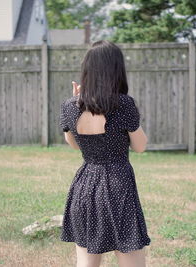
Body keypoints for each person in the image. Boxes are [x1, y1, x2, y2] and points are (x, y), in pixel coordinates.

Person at [59, 40, 151, 267]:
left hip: (85, 186)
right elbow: (140, 147)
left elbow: (74, 144)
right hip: (118, 188)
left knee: (86, 264)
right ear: (116, 69)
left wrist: (76, 101)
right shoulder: (124, 104)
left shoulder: (70, 105)